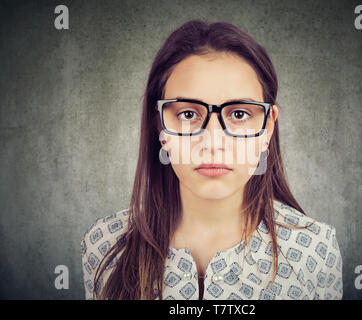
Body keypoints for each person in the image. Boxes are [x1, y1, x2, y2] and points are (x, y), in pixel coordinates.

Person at [81, 19, 343, 300]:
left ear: (267, 128)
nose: (213, 143)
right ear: (160, 127)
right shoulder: (106, 245)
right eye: (188, 114)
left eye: (239, 114)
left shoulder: (314, 250)